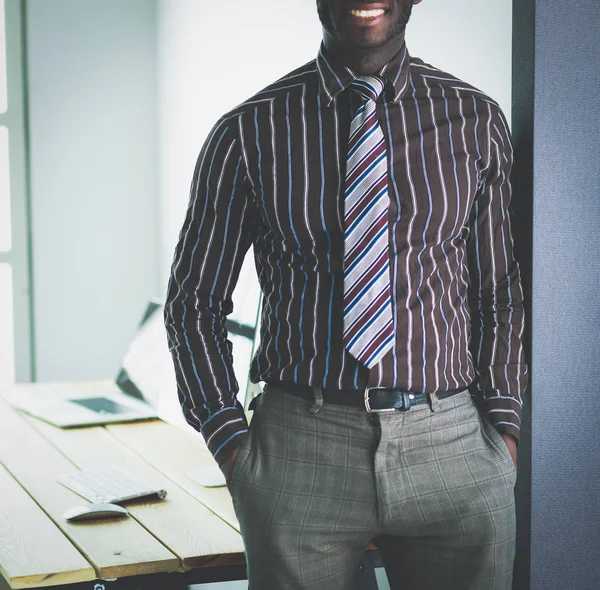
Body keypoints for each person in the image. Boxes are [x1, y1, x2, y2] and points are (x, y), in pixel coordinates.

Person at [164, 0, 527, 588]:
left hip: (453, 446)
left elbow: (500, 291)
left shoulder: (475, 119)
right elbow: (193, 305)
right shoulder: (248, 132)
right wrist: (232, 444)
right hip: (299, 448)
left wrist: (503, 430)